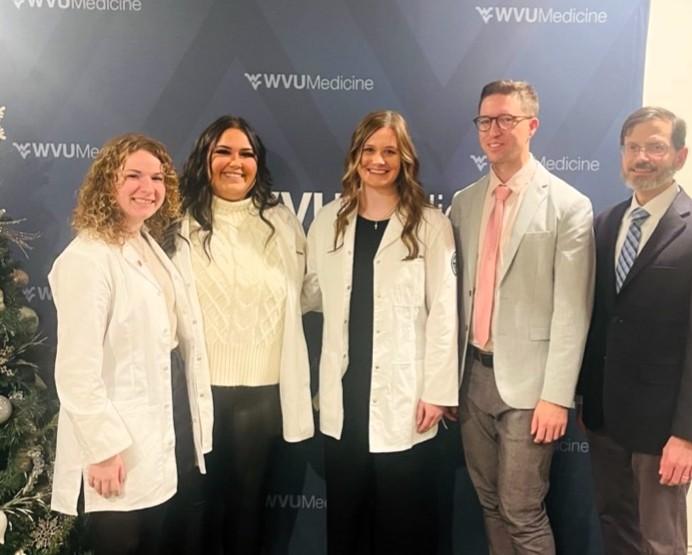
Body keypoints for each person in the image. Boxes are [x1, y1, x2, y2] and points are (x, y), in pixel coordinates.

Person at [578, 106, 692, 555]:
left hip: (664, 429)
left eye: (655, 146)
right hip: (605, 419)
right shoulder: (605, 224)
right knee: (616, 528)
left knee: (660, 542)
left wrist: (689, 435)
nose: (642, 157)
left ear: (680, 156)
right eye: (633, 147)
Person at [448, 80, 595, 554]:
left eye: (506, 120)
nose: (494, 130)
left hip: (531, 391)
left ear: (531, 126)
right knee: (490, 504)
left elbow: (574, 311)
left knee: (522, 511)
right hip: (472, 379)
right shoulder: (464, 202)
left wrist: (556, 396)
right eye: (485, 121)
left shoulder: (569, 206)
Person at [49, 133, 213, 555]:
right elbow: (76, 372)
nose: (149, 187)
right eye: (134, 176)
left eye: (157, 177)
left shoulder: (143, 243)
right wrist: (102, 450)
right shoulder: (87, 259)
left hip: (154, 438)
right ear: (107, 183)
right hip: (116, 450)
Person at [305, 110, 458, 554]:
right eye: (369, 150)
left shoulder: (431, 225)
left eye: (389, 151)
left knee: (401, 526)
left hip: (405, 398)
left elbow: (445, 313)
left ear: (404, 158)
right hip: (344, 397)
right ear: (355, 157)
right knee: (346, 523)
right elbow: (308, 293)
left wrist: (437, 391)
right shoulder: (328, 222)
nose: (378, 160)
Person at [167, 115, 314, 554]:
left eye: (246, 153)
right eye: (224, 152)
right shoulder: (177, 221)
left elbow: (305, 292)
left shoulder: (282, 222)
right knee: (195, 508)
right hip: (197, 391)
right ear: (205, 158)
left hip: (261, 393)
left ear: (258, 163)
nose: (236, 162)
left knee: (247, 509)